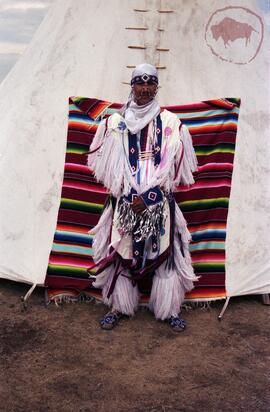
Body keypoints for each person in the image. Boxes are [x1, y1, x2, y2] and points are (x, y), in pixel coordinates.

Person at [87, 63, 198, 332]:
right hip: (125, 202)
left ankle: (169, 309)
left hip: (158, 203)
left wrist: (149, 196)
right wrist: (130, 195)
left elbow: (176, 170)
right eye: (140, 83)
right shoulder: (114, 124)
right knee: (122, 253)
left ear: (157, 88)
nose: (145, 89)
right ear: (132, 86)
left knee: (165, 255)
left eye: (151, 84)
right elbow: (106, 169)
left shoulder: (171, 124)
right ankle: (119, 307)